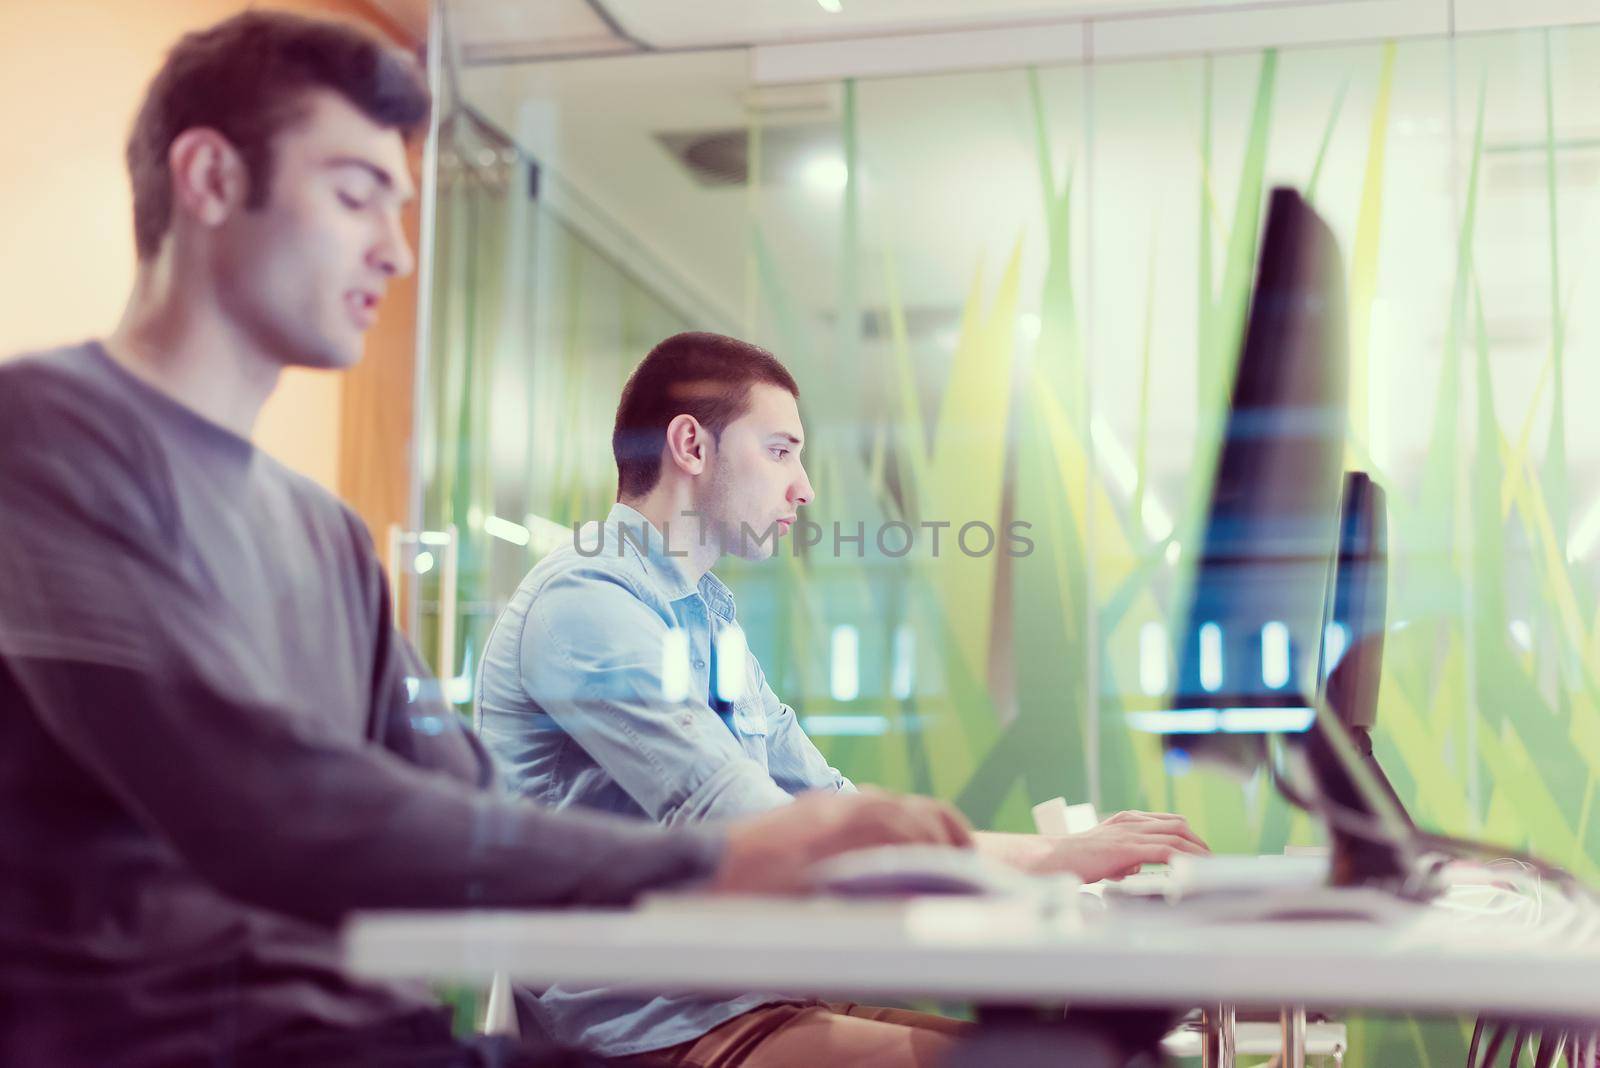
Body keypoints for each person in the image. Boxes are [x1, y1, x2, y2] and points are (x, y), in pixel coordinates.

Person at [0, 15, 973, 1068]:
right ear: (209, 179)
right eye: (354, 193)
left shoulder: (319, 532)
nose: (397, 248)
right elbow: (266, 803)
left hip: (382, 1039)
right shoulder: (44, 437)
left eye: (401, 205)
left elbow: (456, 802)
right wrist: (718, 860)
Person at [476, 331, 1211, 1066]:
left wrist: (1058, 854)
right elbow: (750, 825)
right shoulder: (586, 602)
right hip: (654, 1030)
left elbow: (830, 804)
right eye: (780, 450)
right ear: (691, 447)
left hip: (745, 1000)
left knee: (1092, 1055)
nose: (805, 485)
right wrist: (1037, 863)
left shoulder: (706, 618)